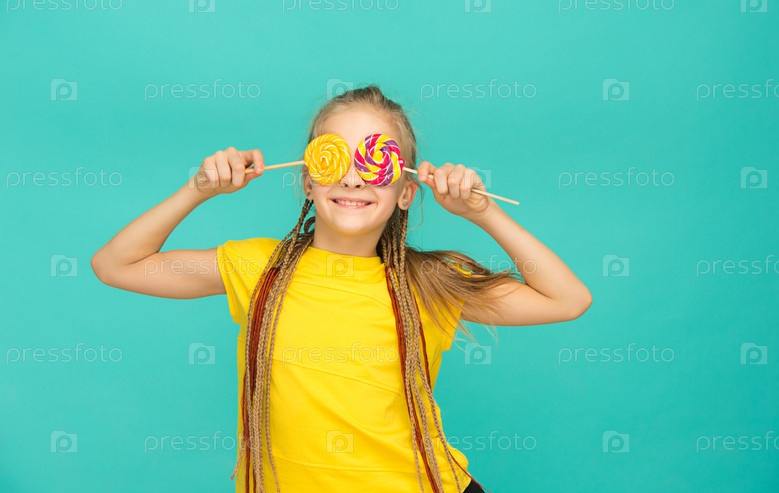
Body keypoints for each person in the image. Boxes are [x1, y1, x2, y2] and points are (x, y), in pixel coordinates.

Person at [90, 84, 592, 493]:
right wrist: (197, 190)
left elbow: (567, 300)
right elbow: (116, 265)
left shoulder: (429, 283)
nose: (353, 179)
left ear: (406, 192)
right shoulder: (256, 267)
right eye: (334, 160)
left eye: (376, 162)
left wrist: (483, 212)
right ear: (309, 182)